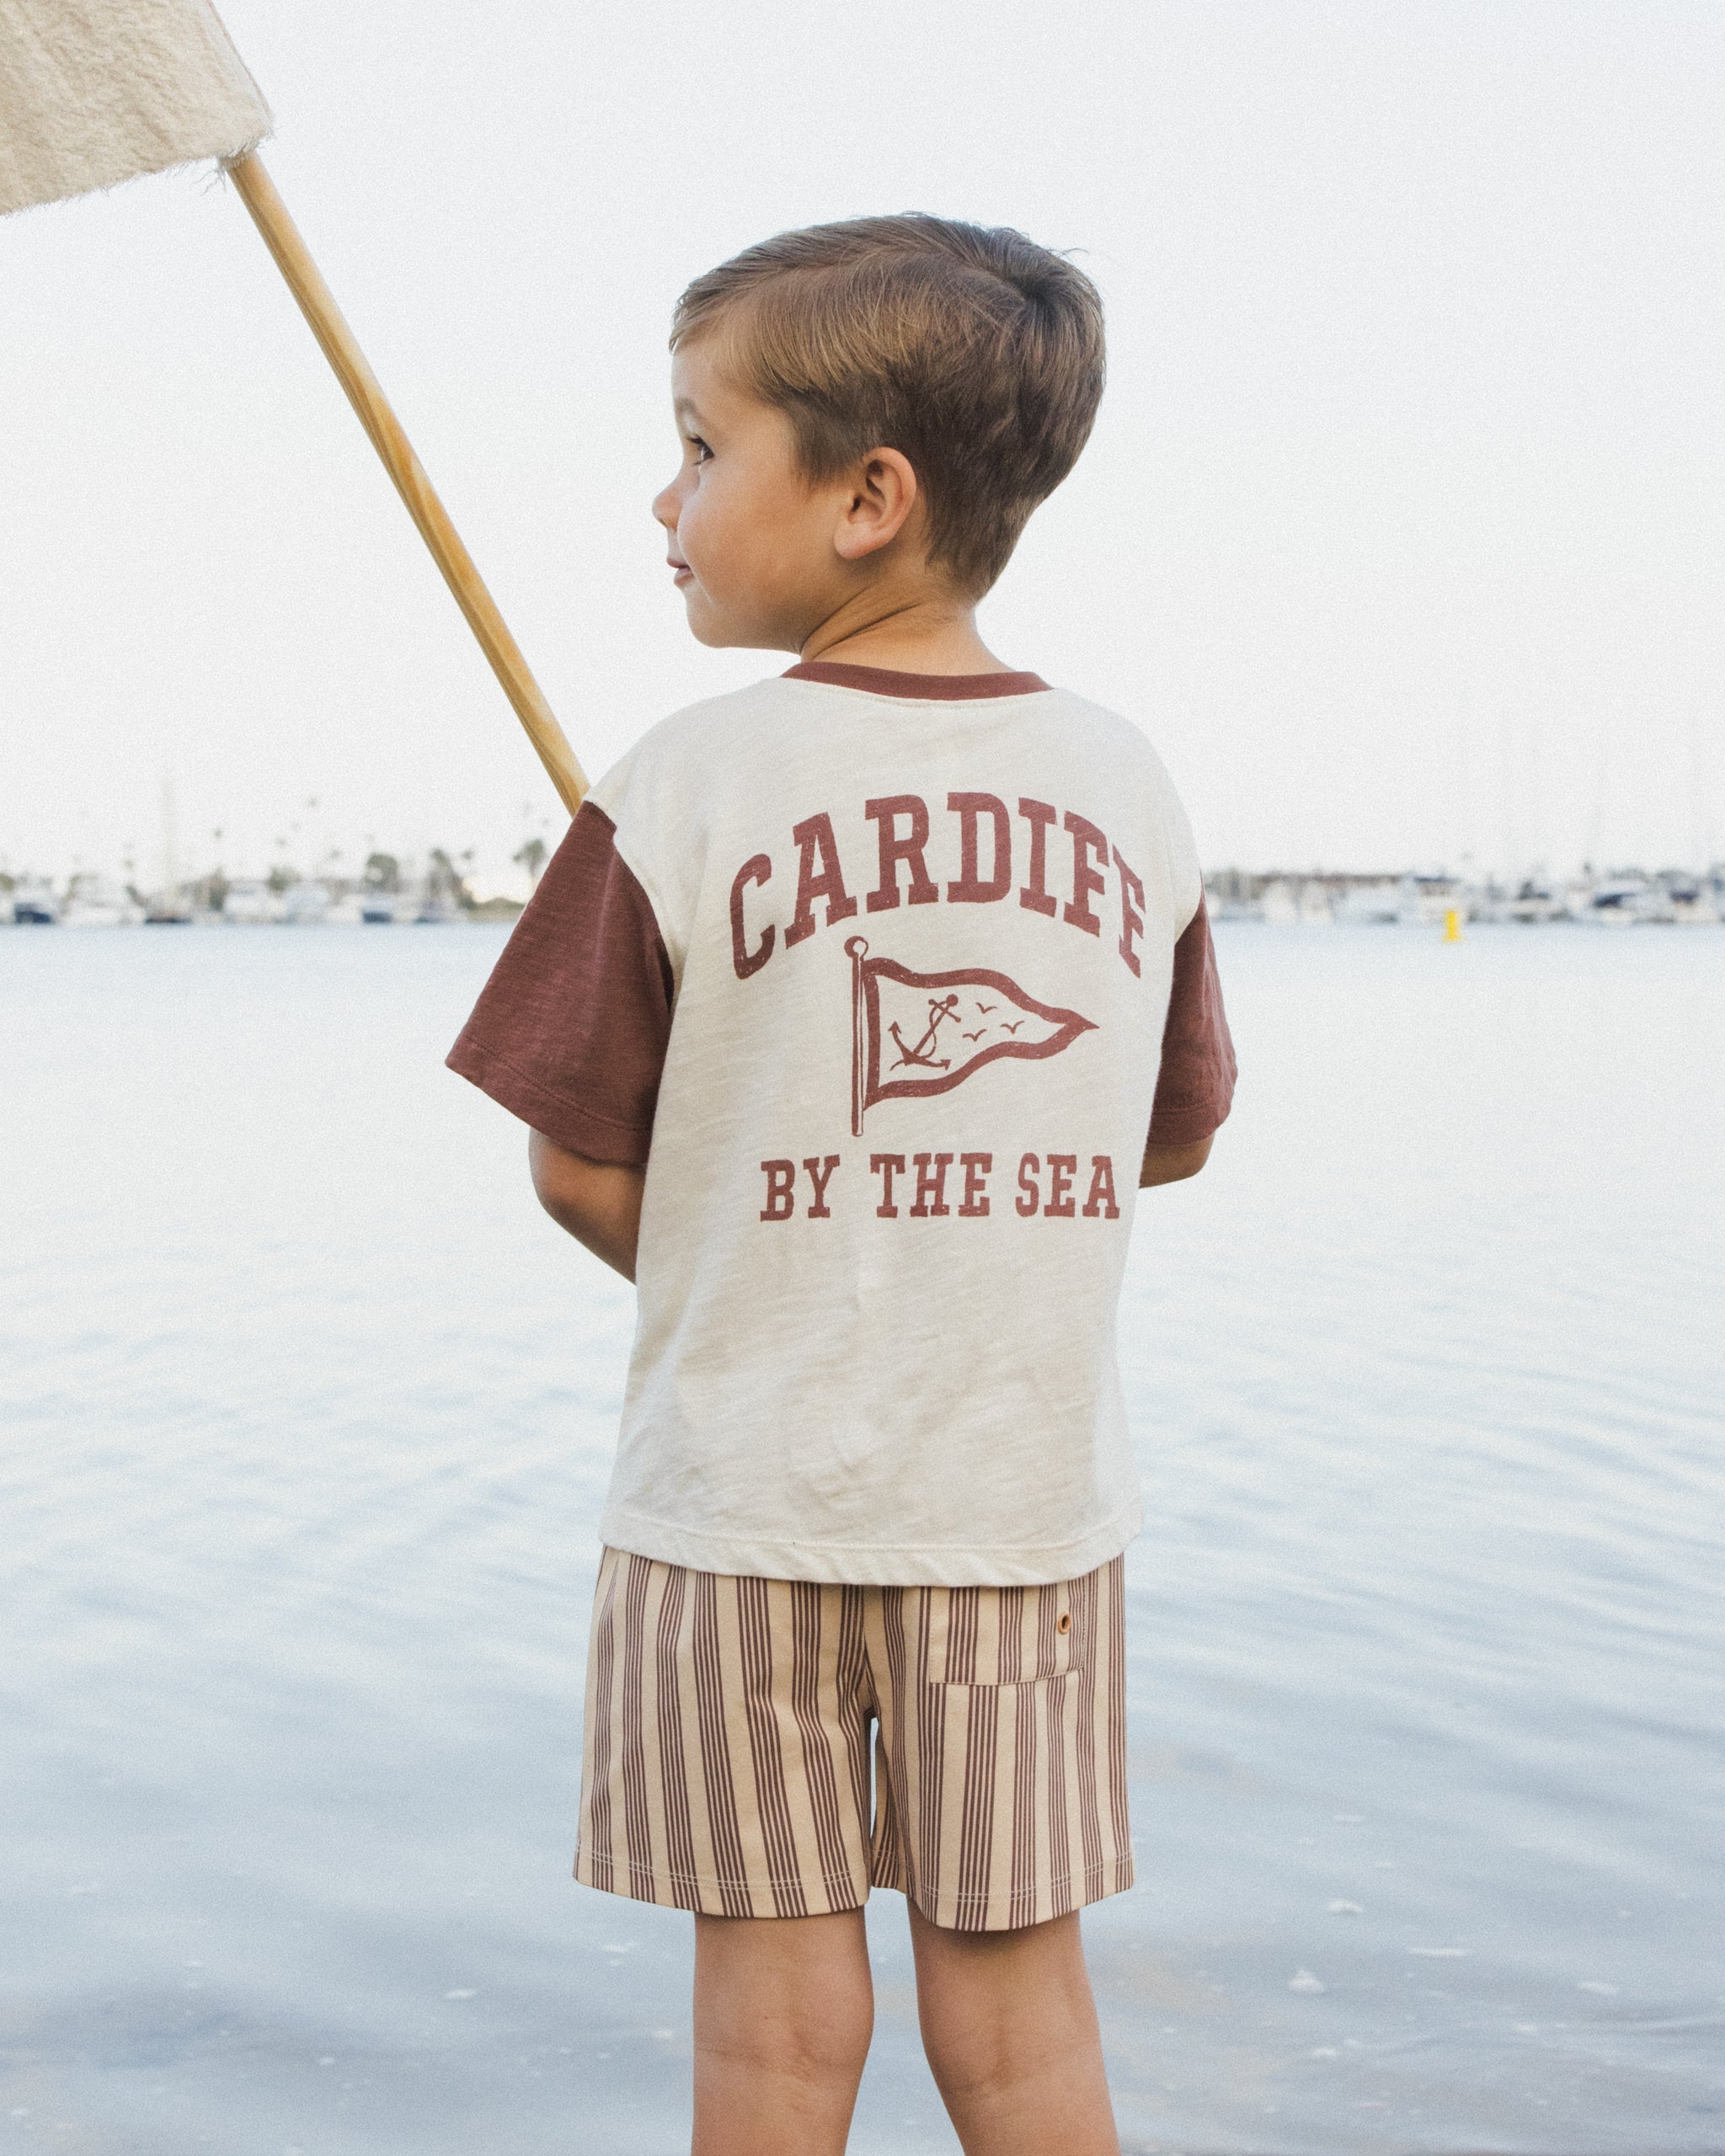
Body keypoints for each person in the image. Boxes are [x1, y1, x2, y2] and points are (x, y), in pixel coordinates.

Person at [447, 215, 1236, 2156]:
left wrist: (740, 1254)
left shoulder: (684, 777)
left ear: (866, 497)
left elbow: (573, 1159)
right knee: (1022, 2002)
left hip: (738, 1500)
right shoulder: (1126, 784)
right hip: (1018, 1502)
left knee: (775, 2025)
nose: (668, 492)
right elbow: (1177, 1126)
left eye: (704, 447)